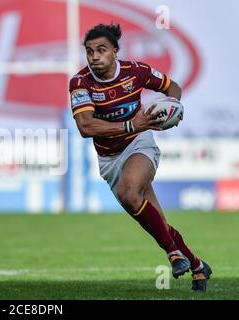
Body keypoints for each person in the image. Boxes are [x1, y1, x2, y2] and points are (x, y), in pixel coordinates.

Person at [69, 23, 212, 291]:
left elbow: (173, 88)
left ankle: (172, 253)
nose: (95, 57)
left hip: (139, 144)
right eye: (89, 52)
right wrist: (130, 125)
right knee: (156, 220)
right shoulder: (80, 83)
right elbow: (86, 127)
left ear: (115, 51)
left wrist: (174, 111)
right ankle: (197, 266)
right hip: (109, 159)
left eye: (101, 50)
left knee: (129, 192)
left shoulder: (137, 71)